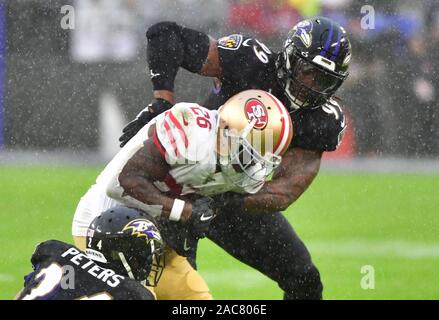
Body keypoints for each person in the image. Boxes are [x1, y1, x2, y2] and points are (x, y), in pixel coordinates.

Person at [118, 16, 352, 300]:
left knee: (304, 279)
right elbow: (165, 34)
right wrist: (162, 101)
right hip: (180, 185)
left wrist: (222, 203)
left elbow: (285, 191)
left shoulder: (323, 119)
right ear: (291, 57)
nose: (312, 86)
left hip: (234, 198)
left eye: (325, 80)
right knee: (171, 292)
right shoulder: (251, 61)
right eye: (308, 72)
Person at [72, 89, 293, 300]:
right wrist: (185, 211)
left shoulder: (243, 165)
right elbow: (123, 182)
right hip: (107, 225)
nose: (251, 165)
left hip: (156, 232)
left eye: (258, 157)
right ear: (225, 128)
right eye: (247, 152)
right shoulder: (190, 129)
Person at [17, 206, 164, 300]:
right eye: (141, 253)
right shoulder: (135, 293)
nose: (146, 260)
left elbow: (26, 291)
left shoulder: (57, 252)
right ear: (118, 252)